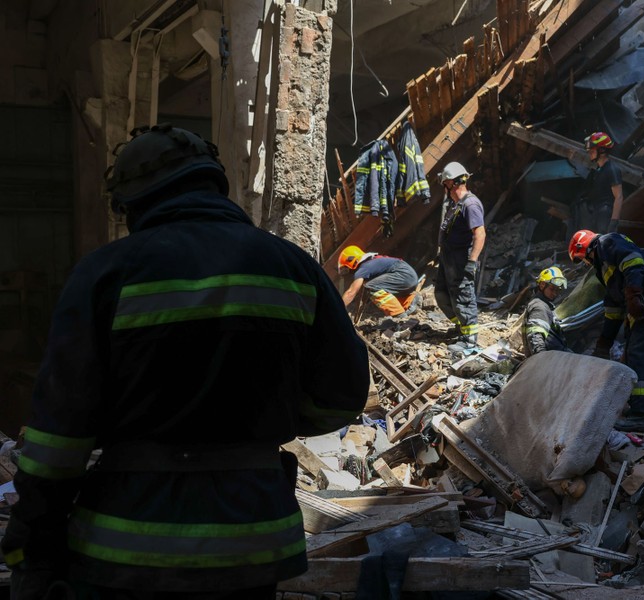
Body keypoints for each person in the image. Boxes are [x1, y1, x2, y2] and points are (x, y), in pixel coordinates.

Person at [1, 124, 370, 599]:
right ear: (216, 184)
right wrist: (259, 420)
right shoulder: (294, 267)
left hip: (127, 546)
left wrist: (32, 540)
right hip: (253, 542)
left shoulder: (105, 272)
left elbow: (58, 436)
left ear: (130, 204)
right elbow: (341, 400)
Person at [568, 230, 644, 430]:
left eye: (583, 259)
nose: (586, 263)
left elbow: (632, 260)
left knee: (640, 355)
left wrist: (634, 294)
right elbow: (614, 307)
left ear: (585, 248)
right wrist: (604, 343)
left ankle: (643, 414)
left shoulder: (606, 243)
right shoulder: (605, 266)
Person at [435, 161, 486, 354]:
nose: (444, 188)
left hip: (461, 260)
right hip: (449, 259)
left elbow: (480, 234)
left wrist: (471, 263)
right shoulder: (457, 204)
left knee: (463, 297)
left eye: (445, 183)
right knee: (441, 294)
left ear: (452, 183)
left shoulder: (470, 204)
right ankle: (461, 327)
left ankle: (470, 340)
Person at [338, 245, 422, 318]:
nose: (348, 271)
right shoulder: (372, 261)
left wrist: (337, 310)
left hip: (403, 276)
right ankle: (410, 301)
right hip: (409, 276)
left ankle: (398, 315)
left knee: (371, 287)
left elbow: (351, 292)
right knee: (381, 289)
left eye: (346, 267)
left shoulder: (363, 268)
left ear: (351, 261)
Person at [569, 131, 624, 240]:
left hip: (605, 214)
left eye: (592, 151)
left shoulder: (611, 170)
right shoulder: (598, 170)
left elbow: (619, 196)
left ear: (602, 150)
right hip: (596, 213)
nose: (590, 153)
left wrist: (613, 222)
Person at [521, 267, 570, 357]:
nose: (555, 294)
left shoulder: (544, 305)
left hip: (555, 358)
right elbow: (535, 337)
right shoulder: (540, 307)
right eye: (552, 289)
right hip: (551, 361)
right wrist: (541, 360)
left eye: (557, 290)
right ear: (542, 285)